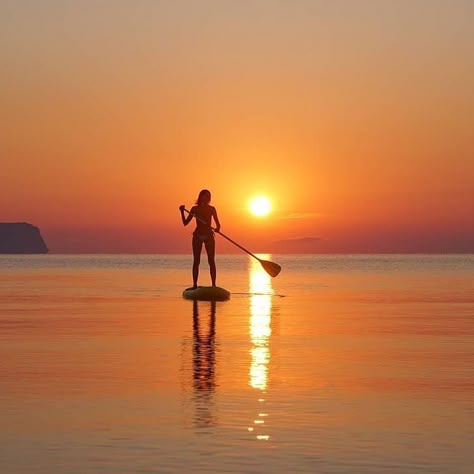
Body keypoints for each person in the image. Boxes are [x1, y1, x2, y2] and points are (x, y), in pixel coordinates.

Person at [180, 189, 221, 288]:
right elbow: (185, 223)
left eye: (208, 196)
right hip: (197, 236)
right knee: (196, 261)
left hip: (209, 236)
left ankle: (214, 285)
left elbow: (218, 225)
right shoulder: (194, 209)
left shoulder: (212, 209)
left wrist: (217, 229)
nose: (206, 198)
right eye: (204, 196)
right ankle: (194, 285)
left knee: (211, 260)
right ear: (200, 196)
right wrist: (182, 212)